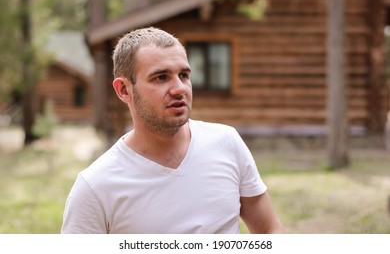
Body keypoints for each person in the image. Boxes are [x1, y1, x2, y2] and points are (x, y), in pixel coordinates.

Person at [61, 27, 284, 234]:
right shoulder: (96, 187)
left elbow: (269, 230)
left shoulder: (227, 143)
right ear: (124, 90)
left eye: (184, 75)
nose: (179, 88)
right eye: (161, 77)